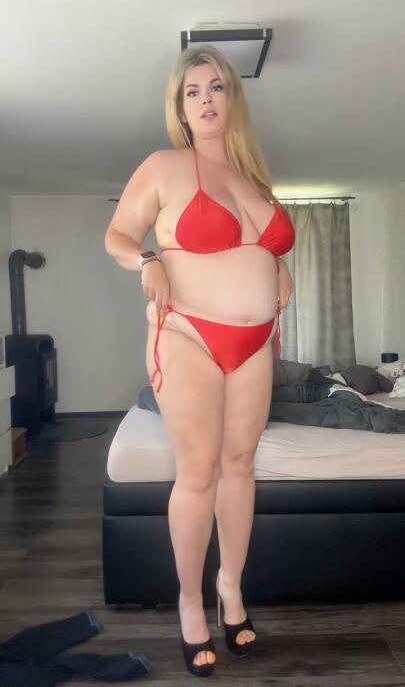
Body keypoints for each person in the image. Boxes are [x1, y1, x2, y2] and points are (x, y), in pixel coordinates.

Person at [104, 45, 295, 678]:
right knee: (199, 470)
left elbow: (260, 244)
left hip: (255, 341)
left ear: (232, 99)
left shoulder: (254, 175)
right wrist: (147, 260)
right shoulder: (163, 166)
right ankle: (190, 603)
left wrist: (279, 266)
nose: (206, 99)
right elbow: (117, 236)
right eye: (193, 91)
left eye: (217, 87)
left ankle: (229, 588)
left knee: (240, 466)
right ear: (180, 108)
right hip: (187, 334)